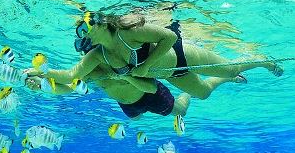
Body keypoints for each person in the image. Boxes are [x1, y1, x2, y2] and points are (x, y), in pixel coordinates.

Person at [31, 16, 280, 100]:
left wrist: (146, 66)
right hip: (171, 74)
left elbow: (169, 38)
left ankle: (261, 60)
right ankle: (230, 80)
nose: (83, 38)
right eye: (79, 36)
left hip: (182, 55)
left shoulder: (128, 30)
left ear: (96, 23)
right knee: (203, 93)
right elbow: (71, 75)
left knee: (228, 68)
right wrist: (40, 72)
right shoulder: (99, 54)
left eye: (84, 30)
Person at [27, 61, 243, 120]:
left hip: (152, 95)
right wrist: (44, 86)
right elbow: (67, 87)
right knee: (135, 119)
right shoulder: (90, 71)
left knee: (182, 110)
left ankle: (222, 79)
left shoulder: (120, 58)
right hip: (128, 105)